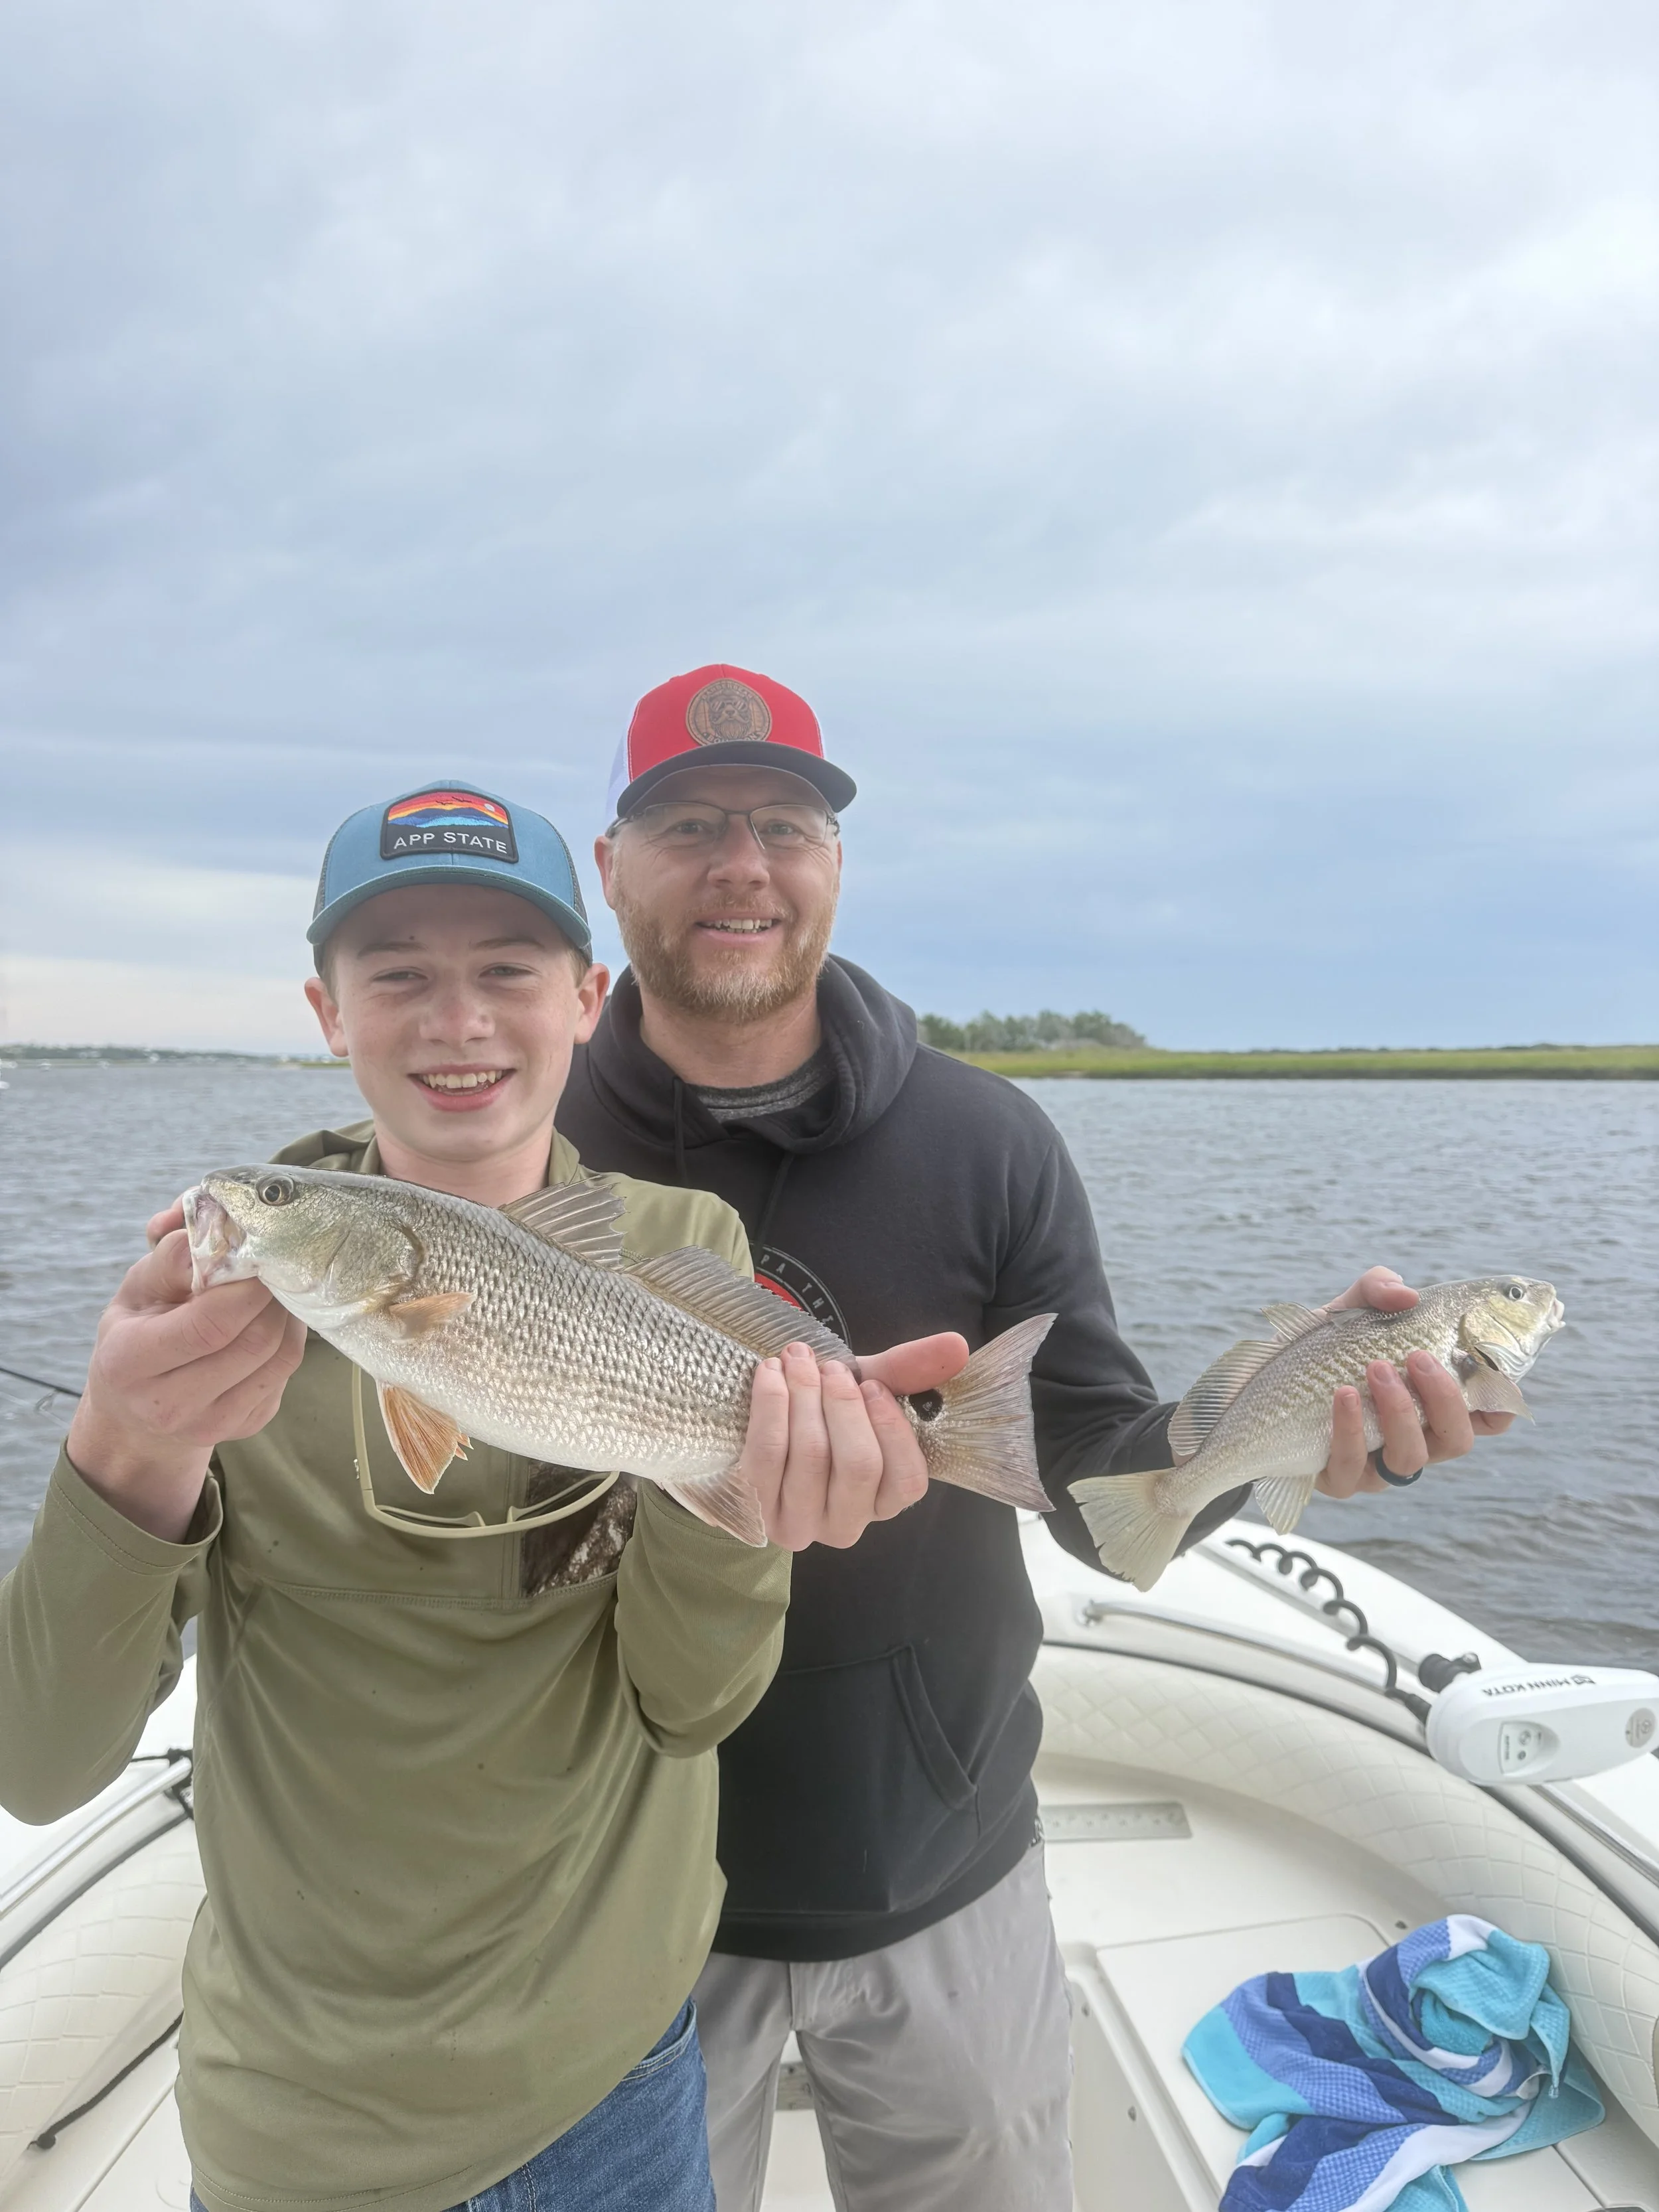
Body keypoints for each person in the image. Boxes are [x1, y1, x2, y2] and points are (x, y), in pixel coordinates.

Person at [556, 664, 1516, 2212]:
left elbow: (1093, 1491)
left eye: (785, 823)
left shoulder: (985, 1141)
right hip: (621, 1881)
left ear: (834, 864)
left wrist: (1286, 1423)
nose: (741, 864)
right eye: (687, 823)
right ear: (612, 867)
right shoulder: (533, 1158)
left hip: (940, 1864)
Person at [0, 782, 971, 2212]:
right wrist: (124, 1449)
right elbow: (39, 1766)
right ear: (328, 1011)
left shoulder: (677, 1247)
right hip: (298, 2125)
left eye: (506, 972)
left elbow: (690, 1704)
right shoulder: (213, 1308)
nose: (455, 1021)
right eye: (397, 975)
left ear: (586, 998)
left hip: (616, 2084)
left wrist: (752, 1505)